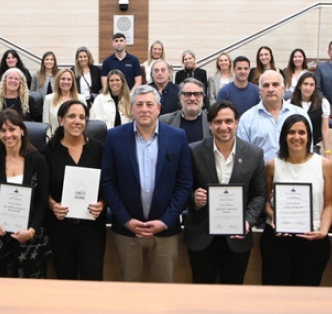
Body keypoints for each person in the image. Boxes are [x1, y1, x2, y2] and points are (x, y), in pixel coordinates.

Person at [100, 85, 193, 283]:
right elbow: (108, 183)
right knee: (129, 286)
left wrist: (165, 221)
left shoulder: (177, 137)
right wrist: (126, 220)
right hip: (127, 230)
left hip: (166, 230)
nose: (144, 109)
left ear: (158, 108)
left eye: (149, 104)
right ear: (131, 108)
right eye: (139, 104)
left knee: (164, 287)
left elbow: (184, 184)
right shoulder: (114, 137)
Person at [183, 101, 265, 284]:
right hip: (201, 237)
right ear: (210, 125)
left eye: (229, 121)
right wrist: (194, 198)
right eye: (218, 122)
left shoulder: (254, 154)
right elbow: (183, 189)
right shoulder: (193, 151)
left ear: (237, 123)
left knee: (233, 294)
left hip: (238, 236)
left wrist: (248, 220)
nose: (224, 127)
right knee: (202, 293)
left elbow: (259, 194)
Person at [261, 115, 332, 286]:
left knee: (306, 299)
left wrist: (323, 231)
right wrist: (274, 217)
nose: (296, 137)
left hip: (312, 240)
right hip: (278, 239)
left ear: (309, 136)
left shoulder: (324, 165)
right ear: (284, 136)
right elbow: (265, 203)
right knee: (275, 297)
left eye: (302, 132)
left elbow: (329, 203)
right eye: (291, 132)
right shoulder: (273, 165)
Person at [42, 100, 106, 280]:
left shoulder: (99, 149)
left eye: (82, 117)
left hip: (92, 228)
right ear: (61, 119)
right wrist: (53, 205)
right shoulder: (48, 152)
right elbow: (42, 189)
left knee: (92, 280)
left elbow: (109, 184)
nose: (77, 121)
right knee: (65, 280)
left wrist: (102, 204)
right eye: (71, 116)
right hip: (60, 228)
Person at [0, 109, 50, 278]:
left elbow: (42, 202)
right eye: (3, 130)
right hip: (0, 239)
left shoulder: (38, 160)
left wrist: (32, 230)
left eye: (12, 129)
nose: (8, 135)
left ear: (22, 130)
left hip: (31, 240)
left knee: (30, 295)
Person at [237, 70, 308, 163]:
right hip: (261, 175)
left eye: (275, 84)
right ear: (260, 90)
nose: (270, 89)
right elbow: (242, 154)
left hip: (294, 174)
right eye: (266, 85)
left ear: (284, 88)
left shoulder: (300, 114)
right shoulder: (247, 119)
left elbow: (308, 149)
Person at [0, 68, 40, 149]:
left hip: (20, 144)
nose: (13, 81)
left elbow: (39, 119)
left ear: (20, 82)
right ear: (5, 80)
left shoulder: (28, 100)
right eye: (10, 78)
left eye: (16, 79)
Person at [290, 72, 331, 157]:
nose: (308, 88)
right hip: (294, 147)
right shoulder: (290, 104)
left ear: (315, 87)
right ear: (299, 86)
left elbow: (325, 129)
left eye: (311, 85)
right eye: (305, 84)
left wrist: (327, 152)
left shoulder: (323, 103)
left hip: (314, 148)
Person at [159, 78, 210, 145]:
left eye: (197, 94)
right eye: (187, 94)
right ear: (180, 97)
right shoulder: (164, 122)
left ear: (203, 98)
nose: (192, 98)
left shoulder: (212, 121)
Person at [42, 69, 86, 134]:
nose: (65, 82)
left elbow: (85, 122)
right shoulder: (49, 99)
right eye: (63, 79)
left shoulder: (80, 98)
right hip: (55, 140)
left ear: (73, 82)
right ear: (58, 81)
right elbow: (46, 125)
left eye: (69, 79)